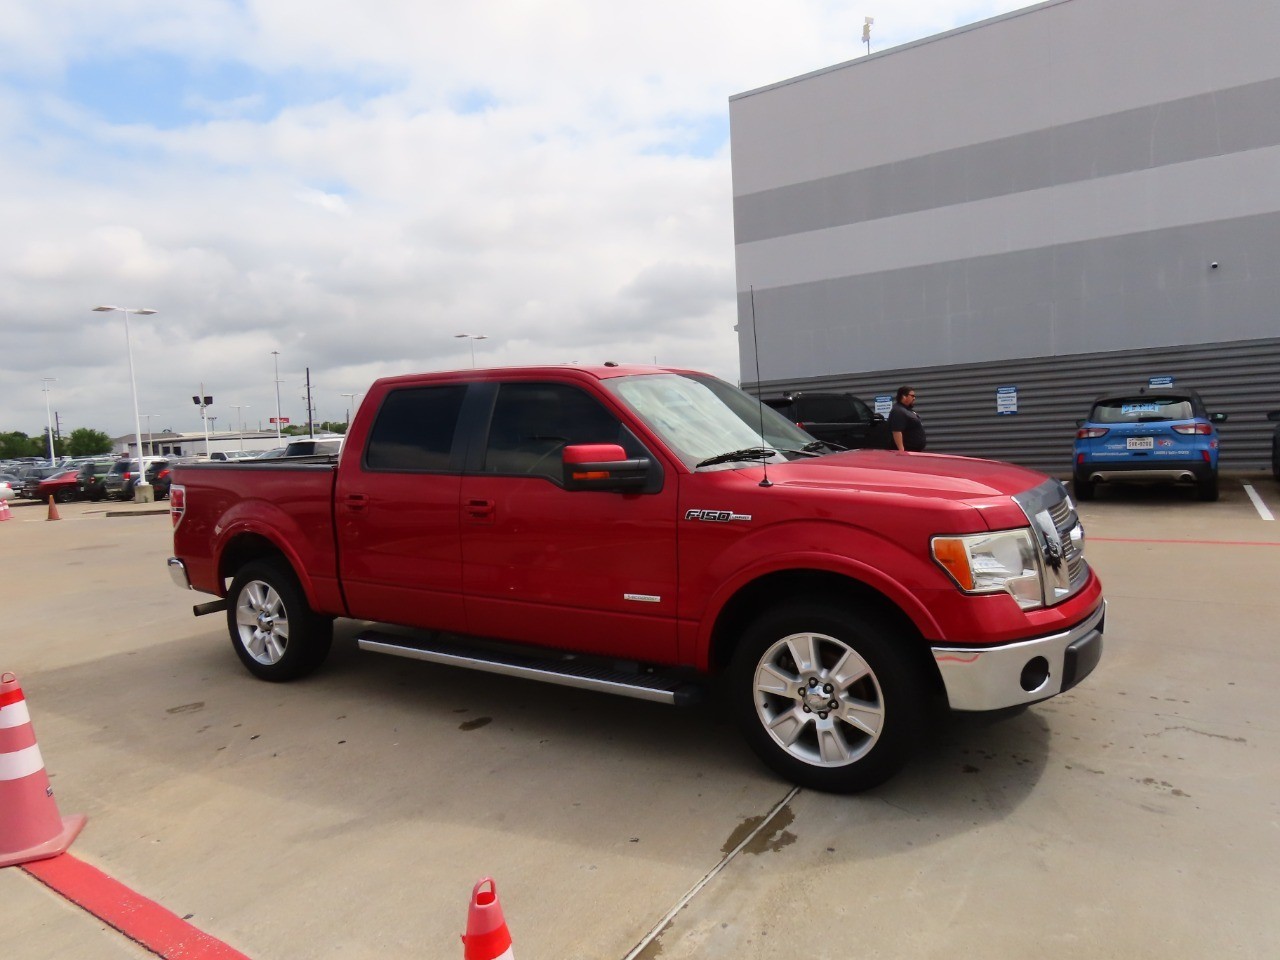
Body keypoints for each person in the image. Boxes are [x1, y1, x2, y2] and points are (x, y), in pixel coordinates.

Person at [888, 385, 926, 452]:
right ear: (904, 396)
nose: (914, 398)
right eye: (912, 396)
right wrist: (901, 451)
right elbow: (896, 431)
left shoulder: (907, 410)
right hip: (907, 452)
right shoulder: (898, 411)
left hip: (914, 451)